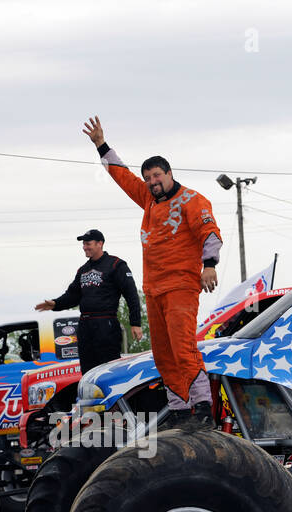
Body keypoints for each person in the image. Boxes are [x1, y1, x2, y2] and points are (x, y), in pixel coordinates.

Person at [83, 116, 223, 425]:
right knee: (163, 353)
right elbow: (123, 177)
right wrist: (101, 145)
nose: (152, 181)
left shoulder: (192, 200)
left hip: (181, 286)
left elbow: (209, 232)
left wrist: (209, 265)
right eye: (148, 177)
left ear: (169, 173)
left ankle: (202, 408)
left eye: (157, 175)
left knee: (183, 346)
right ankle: (179, 408)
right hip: (154, 289)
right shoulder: (148, 198)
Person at [35, 229, 143, 374]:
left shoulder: (116, 264)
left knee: (109, 370)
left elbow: (131, 294)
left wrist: (135, 323)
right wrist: (55, 304)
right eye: (83, 244)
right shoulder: (83, 269)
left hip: (106, 324)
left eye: (88, 243)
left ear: (100, 244)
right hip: (85, 325)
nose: (85, 247)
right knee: (87, 371)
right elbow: (72, 295)